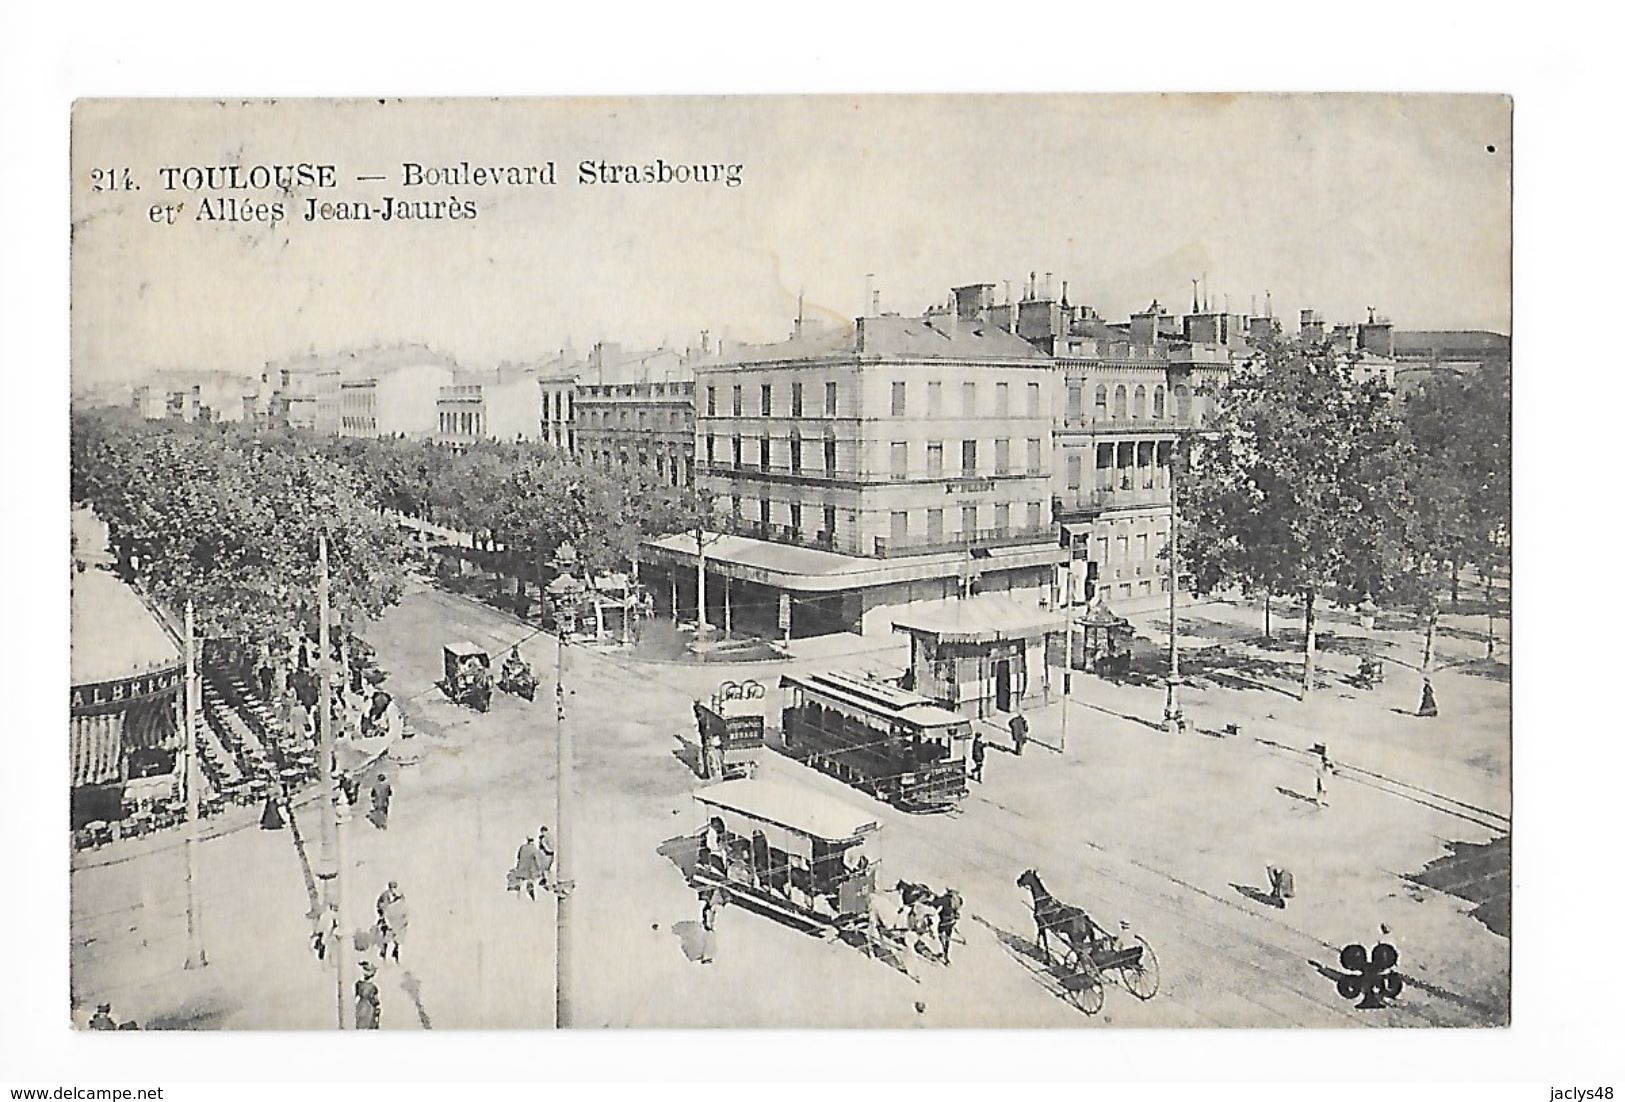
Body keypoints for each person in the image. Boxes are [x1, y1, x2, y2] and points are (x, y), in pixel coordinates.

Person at [699, 887, 728, 964]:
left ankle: (706, 955)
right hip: (710, 924)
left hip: (710, 923)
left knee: (708, 939)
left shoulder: (712, 907)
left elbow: (710, 914)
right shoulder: (712, 907)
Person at [512, 836, 545, 901]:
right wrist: (540, 869)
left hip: (521, 868)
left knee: (522, 883)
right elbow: (537, 860)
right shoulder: (534, 848)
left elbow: (518, 857)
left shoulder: (522, 847)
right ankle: (532, 897)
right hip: (530, 870)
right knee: (530, 882)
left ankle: (520, 898)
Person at [936, 888, 962, 964]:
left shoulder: (946, 899)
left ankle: (943, 952)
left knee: (940, 935)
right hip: (952, 921)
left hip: (944, 921)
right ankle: (946, 954)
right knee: (948, 938)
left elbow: (936, 903)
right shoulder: (958, 899)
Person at [355, 961, 381, 1029]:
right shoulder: (372, 988)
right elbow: (374, 1001)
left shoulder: (359, 984)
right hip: (368, 1008)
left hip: (361, 1006)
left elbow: (357, 995)